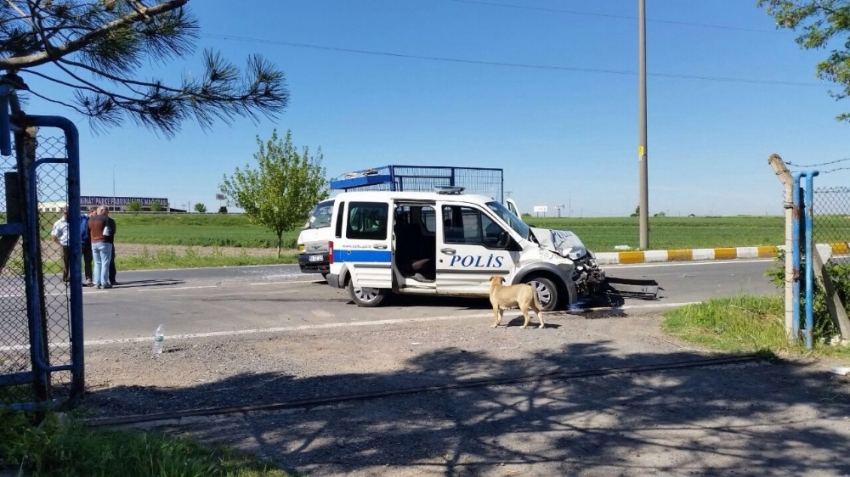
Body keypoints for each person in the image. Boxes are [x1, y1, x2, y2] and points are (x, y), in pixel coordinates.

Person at [87, 205, 113, 289]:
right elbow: (110, 230)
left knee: (97, 263)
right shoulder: (106, 219)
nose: (107, 213)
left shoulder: (90, 220)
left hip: (93, 242)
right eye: (107, 211)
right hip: (104, 242)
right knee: (105, 263)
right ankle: (104, 282)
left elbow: (87, 231)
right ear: (104, 211)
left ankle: (96, 282)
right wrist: (110, 241)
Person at [50, 207, 71, 283]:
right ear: (63, 213)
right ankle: (66, 278)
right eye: (66, 213)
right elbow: (53, 236)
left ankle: (73, 277)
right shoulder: (59, 223)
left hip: (74, 245)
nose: (67, 215)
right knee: (65, 263)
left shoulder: (74, 221)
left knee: (74, 262)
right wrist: (60, 244)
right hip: (64, 244)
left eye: (68, 213)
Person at [81, 207, 95, 287]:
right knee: (77, 262)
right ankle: (76, 280)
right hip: (80, 242)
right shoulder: (82, 217)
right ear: (91, 212)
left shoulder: (94, 220)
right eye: (95, 214)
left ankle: (89, 279)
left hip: (89, 243)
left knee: (88, 262)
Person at [106, 211, 118, 285]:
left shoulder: (110, 221)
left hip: (108, 242)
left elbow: (112, 231)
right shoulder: (97, 220)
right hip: (104, 242)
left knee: (110, 262)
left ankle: (112, 279)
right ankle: (108, 280)